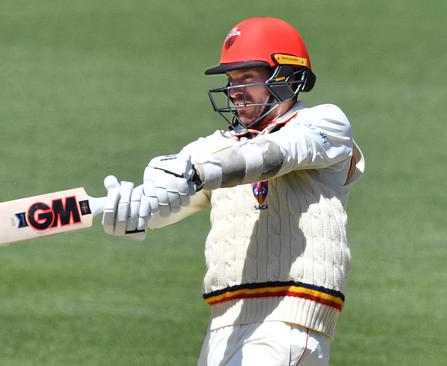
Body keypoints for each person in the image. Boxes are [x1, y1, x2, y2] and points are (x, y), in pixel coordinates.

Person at [102, 17, 365, 365]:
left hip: (288, 319)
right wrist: (133, 211)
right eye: (231, 80)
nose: (235, 90)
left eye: (246, 77)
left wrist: (200, 172)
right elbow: (169, 198)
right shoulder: (216, 146)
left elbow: (276, 154)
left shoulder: (324, 124)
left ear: (286, 77)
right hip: (222, 326)